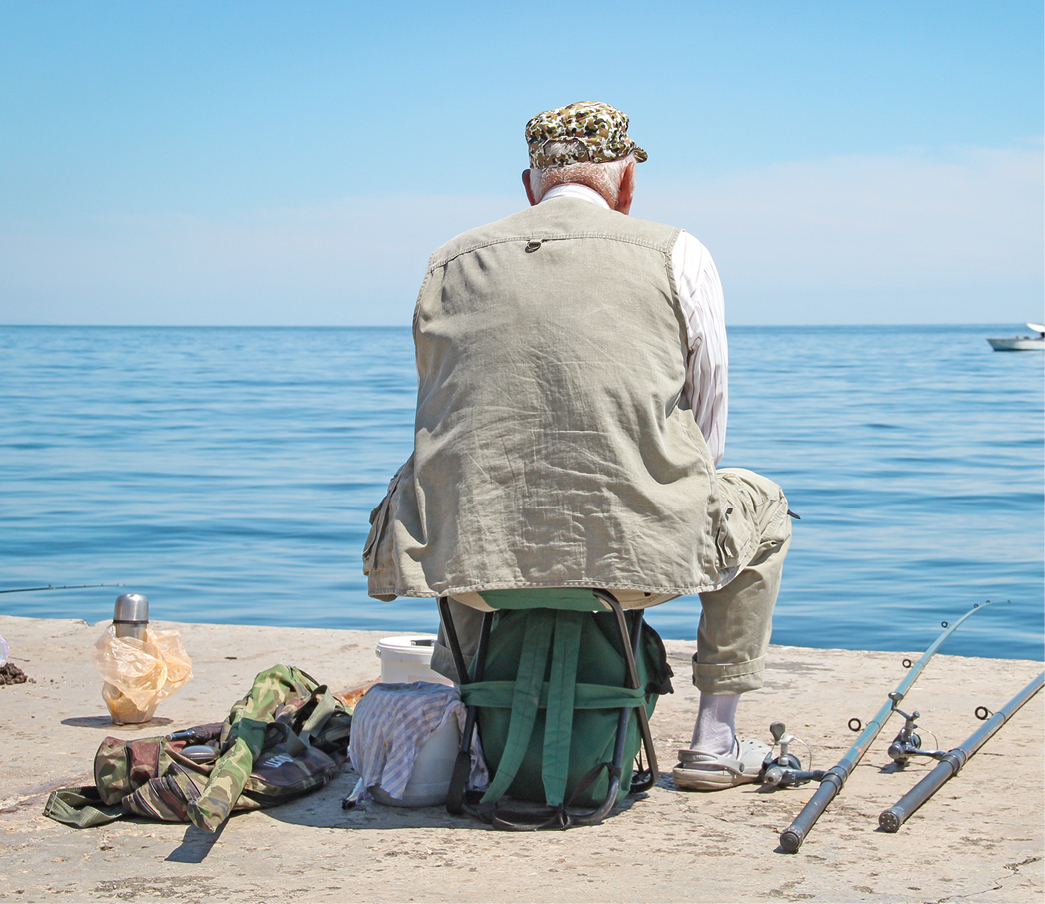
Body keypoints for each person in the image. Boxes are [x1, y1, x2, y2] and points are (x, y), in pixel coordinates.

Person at [363, 101, 793, 791]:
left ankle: (465, 722)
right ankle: (714, 740)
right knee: (763, 505)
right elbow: (706, 430)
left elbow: (443, 414)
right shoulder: (677, 252)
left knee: (449, 478)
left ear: (530, 184)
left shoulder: (448, 261)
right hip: (634, 566)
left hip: (473, 576)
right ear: (624, 181)